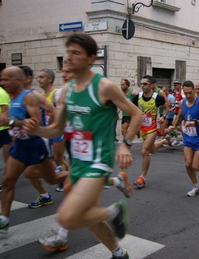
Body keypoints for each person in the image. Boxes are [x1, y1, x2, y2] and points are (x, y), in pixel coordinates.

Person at [23, 33, 142, 259]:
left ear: (90, 58)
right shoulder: (67, 91)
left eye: (75, 53)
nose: (69, 57)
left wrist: (126, 145)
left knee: (67, 217)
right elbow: (58, 129)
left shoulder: (103, 86)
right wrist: (37, 130)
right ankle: (119, 254)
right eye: (68, 52)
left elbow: (135, 113)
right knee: (88, 216)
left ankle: (115, 211)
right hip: (77, 161)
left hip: (98, 160)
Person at [0, 66, 68, 234]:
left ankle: (78, 174)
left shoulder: (29, 97)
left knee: (52, 178)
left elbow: (35, 123)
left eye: (6, 79)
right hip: (20, 146)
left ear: (18, 80)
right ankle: (4, 220)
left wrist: (9, 122)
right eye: (1, 79)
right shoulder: (11, 97)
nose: (2, 82)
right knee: (8, 181)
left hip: (35, 145)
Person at [170, 80, 199, 196]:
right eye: (186, 93)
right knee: (188, 164)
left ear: (194, 90)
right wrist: (173, 126)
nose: (188, 96)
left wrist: (195, 122)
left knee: (196, 166)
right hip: (188, 138)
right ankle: (196, 186)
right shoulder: (183, 102)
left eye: (190, 93)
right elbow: (180, 115)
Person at [132, 75, 167, 188]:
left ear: (151, 85)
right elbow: (133, 109)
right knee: (151, 149)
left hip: (153, 128)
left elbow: (166, 107)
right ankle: (163, 141)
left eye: (145, 84)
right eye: (141, 84)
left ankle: (142, 178)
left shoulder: (157, 98)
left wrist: (163, 116)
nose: (142, 86)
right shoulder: (138, 97)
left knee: (144, 151)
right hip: (142, 128)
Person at [0, 85, 12, 192]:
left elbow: (5, 111)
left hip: (3, 129)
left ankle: (7, 181)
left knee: (7, 158)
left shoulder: (1, 93)